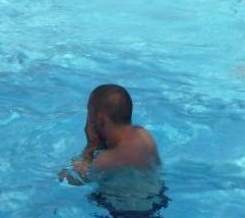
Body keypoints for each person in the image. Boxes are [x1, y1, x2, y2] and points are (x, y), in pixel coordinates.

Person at [59, 84, 167, 216]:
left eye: (89, 115)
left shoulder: (106, 159)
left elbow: (74, 180)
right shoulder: (143, 134)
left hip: (128, 212)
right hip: (158, 199)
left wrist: (90, 146)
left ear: (100, 120)